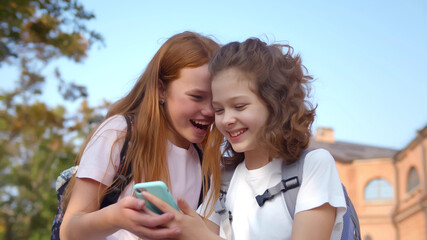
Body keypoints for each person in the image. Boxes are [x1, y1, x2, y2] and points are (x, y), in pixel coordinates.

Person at [142, 38, 348, 240]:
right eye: (219, 109)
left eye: (239, 106)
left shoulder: (314, 166)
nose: (227, 120)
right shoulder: (223, 180)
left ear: (275, 103)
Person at [59, 31, 221, 239]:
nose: (209, 111)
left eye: (216, 99)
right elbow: (69, 230)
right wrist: (115, 218)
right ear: (161, 90)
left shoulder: (205, 161)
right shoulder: (119, 134)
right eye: (197, 97)